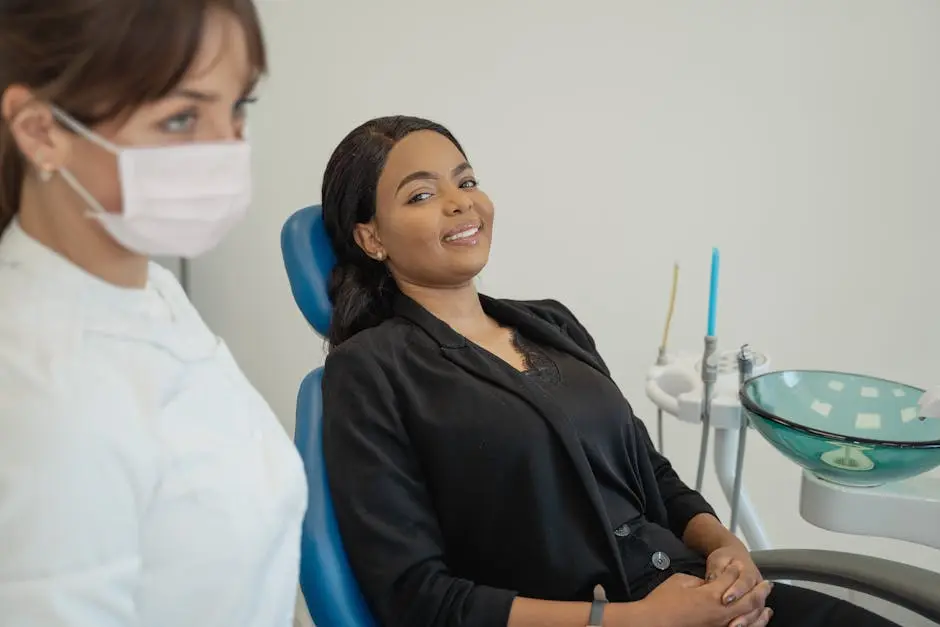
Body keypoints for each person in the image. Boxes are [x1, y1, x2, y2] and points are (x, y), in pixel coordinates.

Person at [319, 116, 900, 627]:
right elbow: (418, 600)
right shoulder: (370, 370)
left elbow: (652, 475)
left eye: (466, 181)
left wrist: (727, 551)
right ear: (371, 237)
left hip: (700, 596)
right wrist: (639, 621)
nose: (460, 202)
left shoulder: (552, 324)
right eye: (421, 196)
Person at [0, 2, 307, 626]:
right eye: (182, 118)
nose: (228, 147)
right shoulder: (42, 388)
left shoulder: (150, 292)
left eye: (238, 107)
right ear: (40, 132)